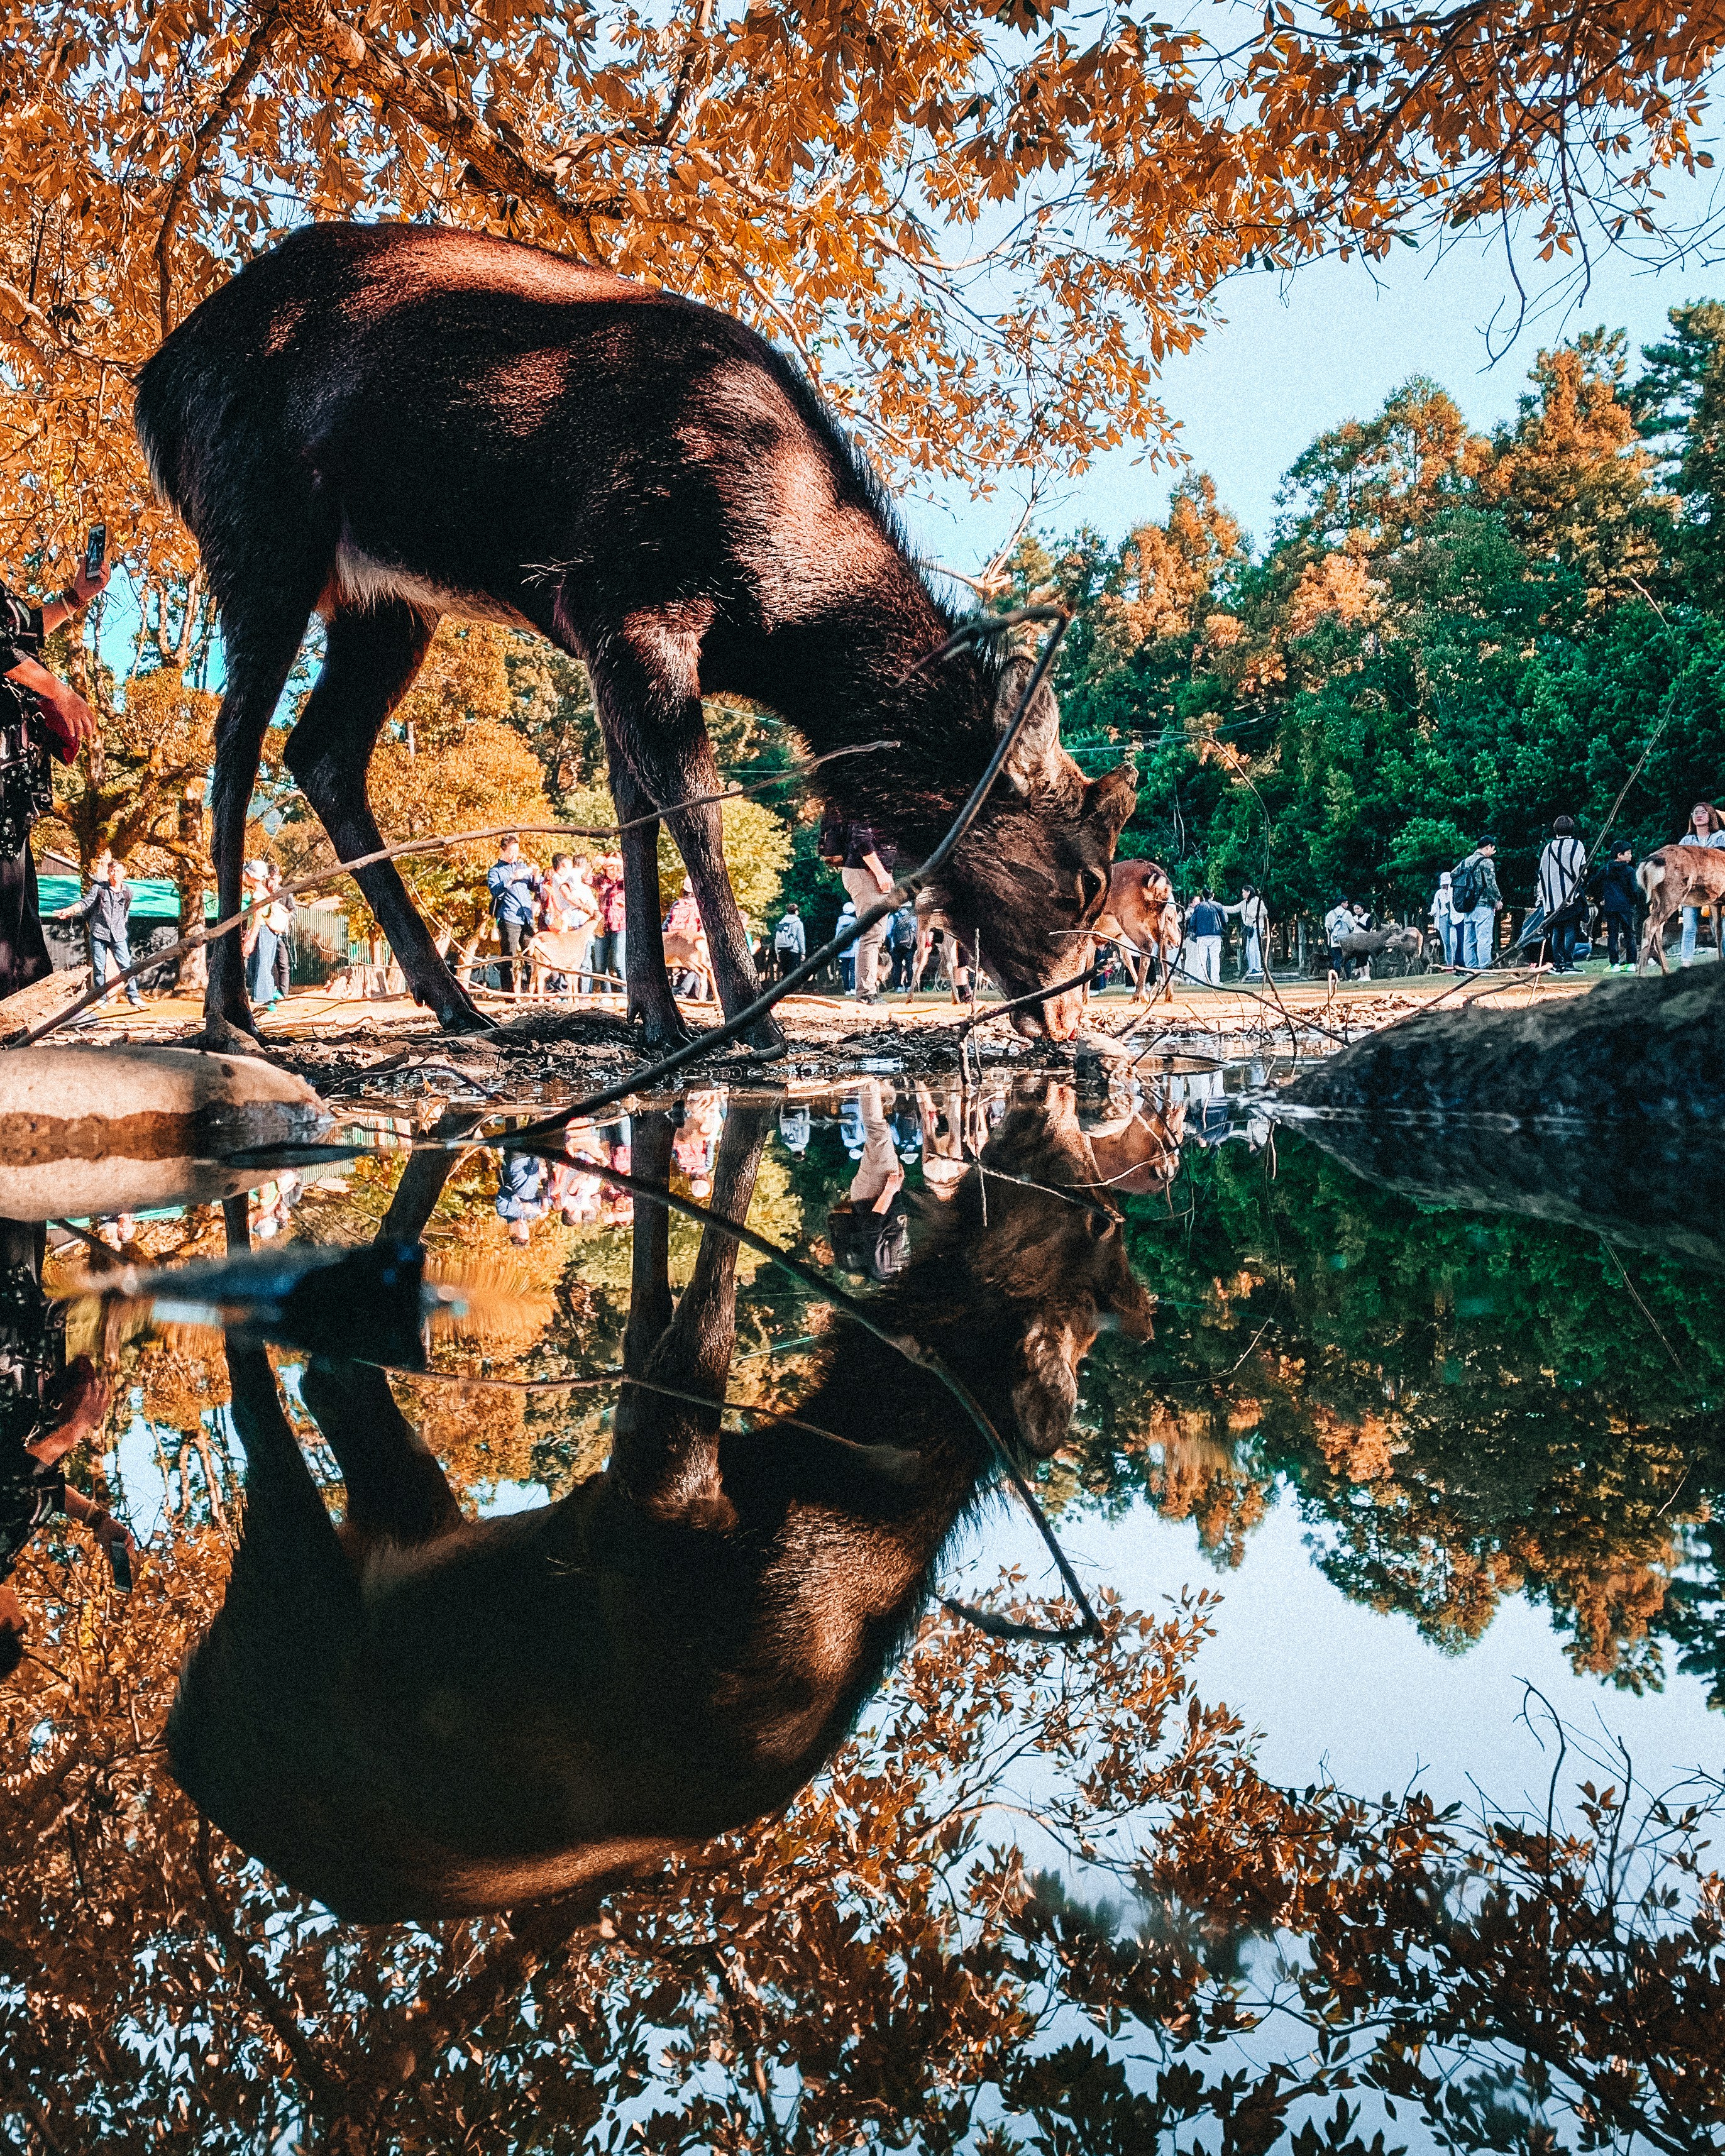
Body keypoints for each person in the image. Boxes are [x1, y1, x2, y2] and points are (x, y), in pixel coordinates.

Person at [0, 1218, 135, 1684]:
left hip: (8, 1349)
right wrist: (97, 1521)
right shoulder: (4, 1552)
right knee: (26, 1216)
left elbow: (18, 1474)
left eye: (20, 1630)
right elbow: (40, 1490)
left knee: (14, 1209)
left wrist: (77, 1428)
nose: (25, 1619)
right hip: (22, 1345)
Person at [1, 551, 108, 1001]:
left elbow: (21, 633)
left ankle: (18, 1021)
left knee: (17, 912)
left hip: (13, 781)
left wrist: (74, 597)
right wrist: (61, 693)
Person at [56, 854, 145, 1009]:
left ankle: (134, 997)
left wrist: (122, 926)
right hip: (99, 932)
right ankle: (101, 998)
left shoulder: (127, 892)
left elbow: (126, 912)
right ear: (108, 872)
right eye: (112, 870)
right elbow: (85, 903)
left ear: (124, 872)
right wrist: (70, 910)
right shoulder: (99, 889)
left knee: (126, 966)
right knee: (99, 967)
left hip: (118, 934)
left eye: (118, 870)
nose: (115, 873)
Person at [837, 818, 895, 1003]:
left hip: (870, 872)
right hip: (866, 873)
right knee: (872, 933)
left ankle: (868, 991)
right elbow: (862, 838)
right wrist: (880, 873)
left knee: (875, 934)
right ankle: (866, 994)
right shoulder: (873, 804)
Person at [487, 835, 543, 994]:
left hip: (526, 916)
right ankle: (509, 994)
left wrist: (536, 875)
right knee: (509, 957)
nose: (514, 855)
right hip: (508, 917)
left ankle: (531, 992)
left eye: (517, 851)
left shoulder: (522, 866)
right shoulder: (495, 871)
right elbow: (495, 891)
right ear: (502, 850)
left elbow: (535, 888)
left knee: (531, 955)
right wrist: (511, 878)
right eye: (511, 851)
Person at [1535, 815, 1589, 974]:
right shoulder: (1577, 846)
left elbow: (1542, 873)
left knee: (1557, 930)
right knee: (1571, 928)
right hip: (1570, 896)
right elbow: (1582, 870)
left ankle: (1557, 964)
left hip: (1552, 898)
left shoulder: (1548, 848)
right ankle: (1568, 964)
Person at [1676, 801, 1725, 965]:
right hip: (1692, 891)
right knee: (1689, 927)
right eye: (1695, 813)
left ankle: (1722, 961)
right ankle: (1686, 963)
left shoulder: (1722, 837)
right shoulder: (1686, 841)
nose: (1698, 815)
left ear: (1710, 815)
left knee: (1721, 930)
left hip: (1718, 890)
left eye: (1703, 812)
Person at [544, 851, 598, 991]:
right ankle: (572, 992)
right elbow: (568, 896)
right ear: (563, 865)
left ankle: (584, 993)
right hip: (573, 920)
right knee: (574, 959)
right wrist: (585, 907)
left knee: (584, 960)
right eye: (569, 864)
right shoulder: (559, 879)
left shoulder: (567, 878)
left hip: (578, 920)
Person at [1449, 837, 1502, 971]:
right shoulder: (1487, 862)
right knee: (1484, 938)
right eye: (1493, 850)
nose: (1493, 853)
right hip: (1484, 904)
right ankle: (1484, 967)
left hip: (1467, 905)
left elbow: (1453, 874)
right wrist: (1498, 899)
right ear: (1488, 847)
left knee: (1469, 939)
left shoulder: (1466, 861)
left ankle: (1471, 967)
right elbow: (1491, 884)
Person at [240, 859, 279, 1009]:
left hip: (262, 932)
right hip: (267, 933)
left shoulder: (258, 895)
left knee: (262, 965)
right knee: (264, 965)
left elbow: (257, 919)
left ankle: (266, 1000)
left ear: (252, 876)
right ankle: (268, 999)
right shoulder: (265, 892)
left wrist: (251, 939)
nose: (244, 875)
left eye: (247, 873)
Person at [1598, 841, 1639, 969]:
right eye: (1629, 853)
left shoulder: (1606, 870)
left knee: (1613, 936)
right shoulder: (1630, 871)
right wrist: (1634, 902)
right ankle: (1631, 963)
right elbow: (1634, 890)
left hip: (1611, 907)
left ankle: (1614, 964)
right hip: (1626, 907)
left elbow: (1593, 884)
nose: (1631, 856)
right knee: (1629, 935)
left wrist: (1600, 898)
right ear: (1619, 855)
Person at [590, 853, 627, 992]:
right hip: (603, 927)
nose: (613, 872)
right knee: (600, 965)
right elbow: (586, 878)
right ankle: (607, 994)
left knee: (619, 963)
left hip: (620, 927)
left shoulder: (624, 882)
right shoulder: (601, 881)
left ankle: (626, 995)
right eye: (609, 868)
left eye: (616, 868)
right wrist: (594, 863)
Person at [1220, 884, 1269, 978]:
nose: (1242, 894)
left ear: (1249, 892)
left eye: (1244, 892)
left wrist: (1252, 915)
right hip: (1249, 928)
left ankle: (1257, 968)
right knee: (1248, 949)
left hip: (1257, 927)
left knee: (1253, 948)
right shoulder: (1243, 903)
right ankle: (1252, 967)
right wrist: (1221, 907)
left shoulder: (1257, 900)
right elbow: (1234, 909)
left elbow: (1264, 911)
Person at [1181, 889, 1225, 987]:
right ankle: (1215, 981)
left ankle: (1202, 981)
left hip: (1202, 936)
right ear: (1212, 895)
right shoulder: (1218, 906)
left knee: (1202, 960)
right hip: (1215, 935)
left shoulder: (1198, 907)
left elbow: (1193, 922)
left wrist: (1195, 930)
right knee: (1215, 960)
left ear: (1203, 896)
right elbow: (1225, 920)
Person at [771, 901, 806, 982]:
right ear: (796, 911)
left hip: (782, 949)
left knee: (785, 971)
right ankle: (791, 989)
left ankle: (785, 989)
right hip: (793, 950)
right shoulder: (798, 923)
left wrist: (777, 953)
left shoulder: (782, 922)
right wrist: (803, 952)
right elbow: (801, 938)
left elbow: (777, 938)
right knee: (793, 972)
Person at [888, 901, 918, 991]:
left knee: (897, 966)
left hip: (896, 946)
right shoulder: (913, 918)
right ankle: (909, 986)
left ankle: (898, 987)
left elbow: (888, 933)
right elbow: (916, 931)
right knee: (909, 966)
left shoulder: (893, 917)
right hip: (910, 946)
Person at [1429, 872, 1457, 969]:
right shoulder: (1439, 893)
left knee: (1454, 942)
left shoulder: (1454, 891)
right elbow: (1435, 905)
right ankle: (1449, 964)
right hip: (1443, 918)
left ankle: (1456, 963)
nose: (1446, 887)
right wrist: (1433, 912)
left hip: (1453, 918)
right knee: (1447, 943)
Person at [835, 898, 857, 992]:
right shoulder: (855, 921)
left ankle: (847, 990)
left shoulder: (839, 922)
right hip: (854, 950)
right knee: (853, 969)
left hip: (843, 950)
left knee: (844, 970)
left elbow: (837, 936)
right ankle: (853, 988)